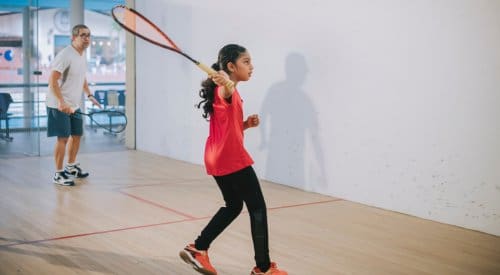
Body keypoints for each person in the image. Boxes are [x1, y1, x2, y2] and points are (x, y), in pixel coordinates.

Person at [179, 44, 288, 275]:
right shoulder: (225, 90)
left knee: (234, 205)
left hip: (216, 157)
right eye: (246, 62)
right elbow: (225, 92)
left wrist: (246, 124)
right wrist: (226, 84)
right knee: (257, 208)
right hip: (230, 158)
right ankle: (264, 268)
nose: (252, 67)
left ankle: (198, 248)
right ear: (231, 66)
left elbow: (228, 125)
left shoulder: (231, 92)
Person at [46, 24, 101, 186]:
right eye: (83, 35)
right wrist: (61, 102)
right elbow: (52, 80)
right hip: (58, 104)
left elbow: (81, 77)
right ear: (73, 37)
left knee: (76, 136)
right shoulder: (65, 55)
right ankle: (58, 173)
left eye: (88, 35)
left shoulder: (82, 55)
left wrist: (89, 95)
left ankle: (71, 167)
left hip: (74, 104)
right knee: (62, 138)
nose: (86, 38)